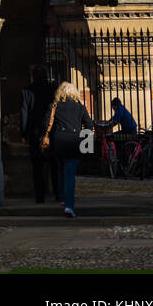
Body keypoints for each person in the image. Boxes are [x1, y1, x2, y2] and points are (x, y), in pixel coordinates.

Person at [41, 81, 94, 218]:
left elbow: (45, 124)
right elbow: (89, 125)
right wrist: (85, 143)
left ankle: (63, 198)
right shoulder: (80, 107)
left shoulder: (54, 106)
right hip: (74, 141)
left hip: (58, 141)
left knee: (60, 171)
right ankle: (69, 206)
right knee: (70, 174)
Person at [20, 65, 59, 204]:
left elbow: (24, 113)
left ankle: (40, 196)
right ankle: (58, 194)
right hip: (52, 131)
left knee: (37, 167)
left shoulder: (26, 91)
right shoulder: (53, 88)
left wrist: (23, 133)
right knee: (55, 165)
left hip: (35, 132)